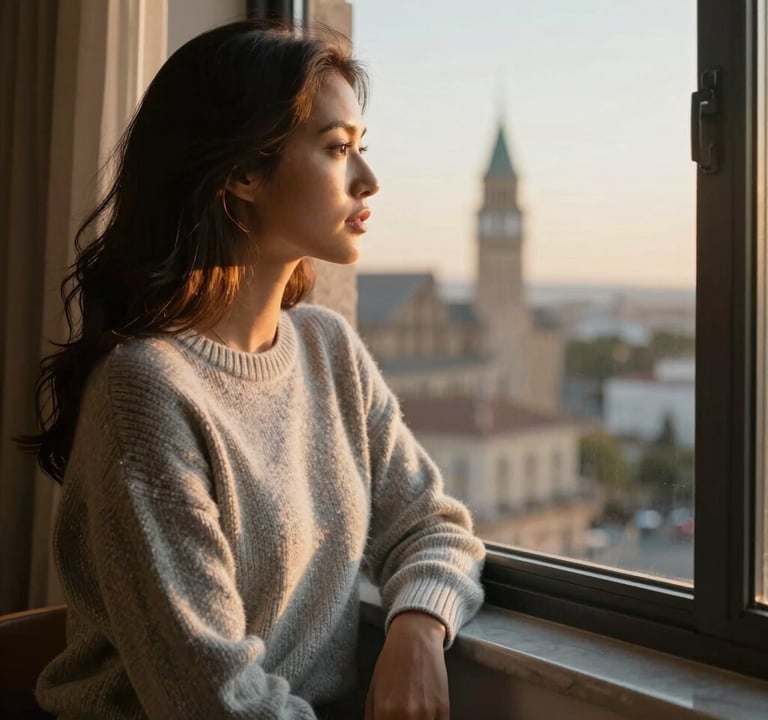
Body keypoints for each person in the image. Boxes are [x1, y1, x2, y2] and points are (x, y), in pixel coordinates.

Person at [21, 20, 485, 720]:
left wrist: (418, 627)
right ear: (241, 171)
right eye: (337, 149)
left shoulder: (329, 347)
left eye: (362, 148)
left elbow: (433, 523)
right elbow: (213, 701)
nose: (369, 179)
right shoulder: (144, 391)